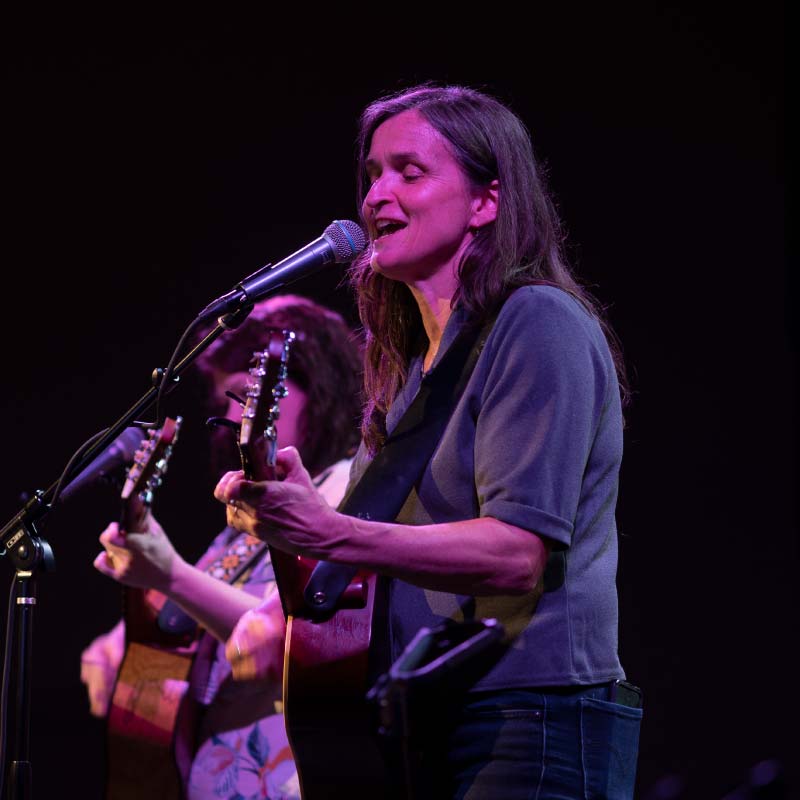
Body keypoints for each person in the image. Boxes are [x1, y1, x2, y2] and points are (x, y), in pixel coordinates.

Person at [217, 84, 642, 799]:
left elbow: (517, 555)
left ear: (487, 201)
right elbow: (352, 590)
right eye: (373, 174)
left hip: (533, 711)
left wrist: (333, 529)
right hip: (436, 712)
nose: (378, 193)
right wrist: (292, 522)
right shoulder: (416, 370)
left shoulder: (535, 322)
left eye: (409, 172)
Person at [80, 294, 362, 799]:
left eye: (247, 396)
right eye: (228, 405)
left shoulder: (343, 493)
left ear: (316, 389)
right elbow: (185, 633)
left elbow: (301, 642)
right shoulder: (238, 529)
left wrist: (172, 576)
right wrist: (121, 644)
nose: (236, 422)